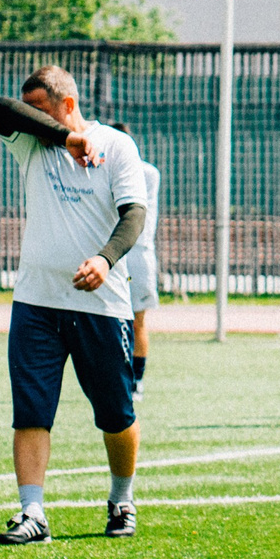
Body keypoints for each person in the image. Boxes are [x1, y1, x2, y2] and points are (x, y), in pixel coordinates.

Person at [0, 66, 152, 544]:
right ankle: (32, 513)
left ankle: (122, 498)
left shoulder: (118, 147)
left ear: (68, 102)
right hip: (36, 302)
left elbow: (134, 214)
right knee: (31, 412)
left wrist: (105, 260)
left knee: (115, 413)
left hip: (101, 304)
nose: (30, 122)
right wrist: (64, 139)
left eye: (40, 110)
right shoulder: (33, 143)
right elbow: (1, 109)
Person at [105, 124, 160, 391]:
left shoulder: (146, 172)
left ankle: (136, 382)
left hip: (137, 256)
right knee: (111, 320)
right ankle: (119, 379)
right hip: (114, 255)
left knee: (137, 321)